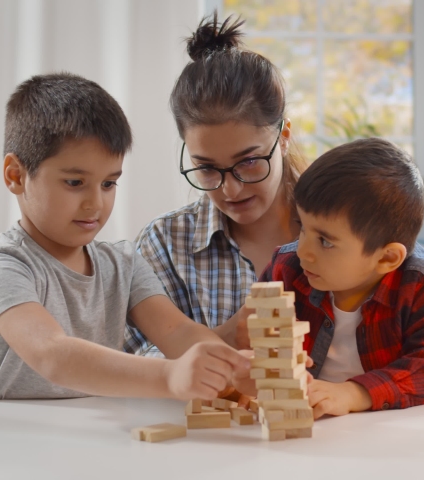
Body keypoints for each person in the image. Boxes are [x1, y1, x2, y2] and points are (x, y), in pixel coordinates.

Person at [0, 72, 250, 400]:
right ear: (16, 176)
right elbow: (51, 354)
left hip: (91, 441)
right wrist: (169, 376)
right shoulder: (1, 269)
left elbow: (179, 331)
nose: (95, 203)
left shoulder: (123, 265)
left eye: (109, 183)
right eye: (74, 183)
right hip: (1, 443)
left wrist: (235, 367)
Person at [125, 14, 307, 357]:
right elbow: (131, 361)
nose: (230, 190)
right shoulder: (165, 243)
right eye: (206, 168)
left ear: (282, 138)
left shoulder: (344, 225)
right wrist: (224, 337)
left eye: (249, 162)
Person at [259, 137, 424, 419]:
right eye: (302, 227)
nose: (304, 251)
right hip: (311, 426)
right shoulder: (286, 267)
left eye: (325, 241)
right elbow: (261, 344)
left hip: (389, 427)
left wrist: (354, 393)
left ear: (386, 258)